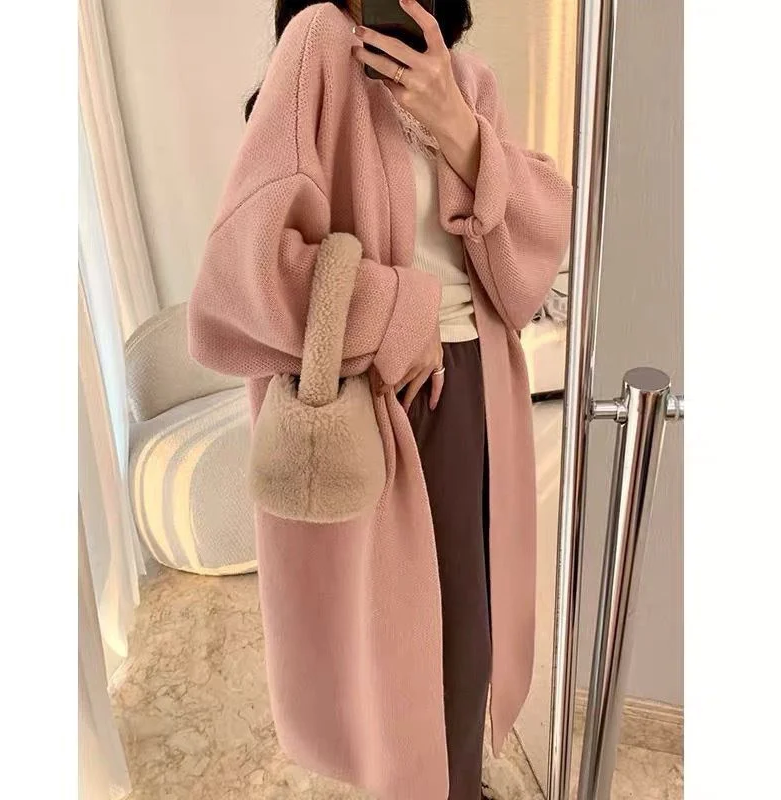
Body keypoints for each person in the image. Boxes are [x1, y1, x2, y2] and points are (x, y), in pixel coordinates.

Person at [187, 2, 572, 798]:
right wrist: (397, 312)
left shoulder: (467, 82)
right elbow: (240, 276)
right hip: (387, 397)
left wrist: (460, 129)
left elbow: (527, 272)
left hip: (483, 392)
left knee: (469, 641)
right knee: (411, 657)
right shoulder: (320, 42)